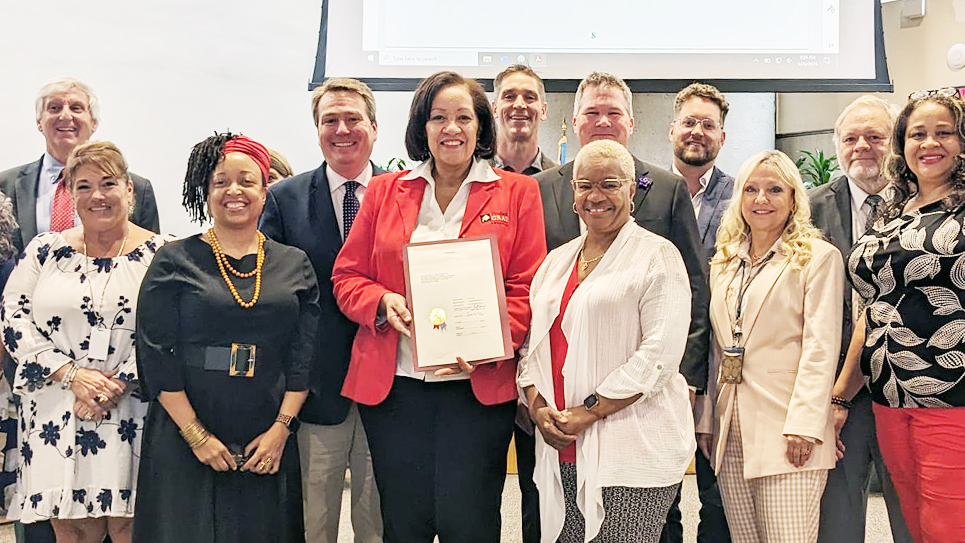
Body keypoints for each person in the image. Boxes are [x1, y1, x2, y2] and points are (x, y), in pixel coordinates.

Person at [331, 71, 546, 543]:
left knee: (469, 522)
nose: (451, 128)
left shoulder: (517, 193)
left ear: (480, 127)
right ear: (422, 127)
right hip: (396, 390)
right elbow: (347, 278)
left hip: (476, 388)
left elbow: (527, 287)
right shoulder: (387, 191)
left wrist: (490, 342)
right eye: (438, 117)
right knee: (404, 523)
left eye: (463, 118)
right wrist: (382, 301)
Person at [133, 134, 320, 543]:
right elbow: (154, 353)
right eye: (221, 182)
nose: (234, 191)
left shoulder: (294, 264)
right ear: (207, 190)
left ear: (265, 188)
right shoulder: (173, 260)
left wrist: (281, 430)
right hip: (186, 425)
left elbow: (303, 356)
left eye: (246, 180)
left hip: (266, 428)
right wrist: (196, 435)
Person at [518, 139, 695, 543]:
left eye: (609, 184)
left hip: (630, 449)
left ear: (632, 191)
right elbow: (532, 347)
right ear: (573, 193)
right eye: (584, 185)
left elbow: (659, 356)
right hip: (559, 443)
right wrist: (538, 405)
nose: (595, 196)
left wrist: (589, 411)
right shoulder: (555, 261)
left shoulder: (657, 256)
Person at [1, 141, 167, 543]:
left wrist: (113, 383)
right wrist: (73, 375)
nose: (97, 196)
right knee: (72, 531)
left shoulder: (163, 254)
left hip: (133, 407)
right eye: (84, 186)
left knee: (130, 527)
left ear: (129, 189)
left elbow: (170, 330)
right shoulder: (44, 251)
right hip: (56, 407)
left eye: (108, 183)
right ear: (71, 194)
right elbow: (13, 319)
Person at [832, 88, 965, 543]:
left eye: (943, 133)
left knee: (948, 527)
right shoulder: (891, 214)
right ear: (902, 145)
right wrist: (841, 393)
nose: (930, 144)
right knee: (914, 524)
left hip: (952, 398)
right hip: (890, 400)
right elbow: (874, 308)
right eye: (918, 134)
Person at [534, 72, 710, 403]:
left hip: (641, 385)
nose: (603, 121)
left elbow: (696, 287)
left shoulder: (667, 189)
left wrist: (686, 378)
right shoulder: (542, 188)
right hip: (556, 376)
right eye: (591, 113)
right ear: (575, 122)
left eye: (613, 113)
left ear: (630, 122)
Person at [260, 77, 384, 543]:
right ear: (317, 131)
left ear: (373, 127)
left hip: (389, 385)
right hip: (315, 389)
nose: (342, 129)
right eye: (330, 120)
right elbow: (273, 296)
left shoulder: (405, 194)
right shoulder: (284, 199)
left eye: (353, 118)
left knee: (378, 521)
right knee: (315, 521)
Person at [709, 150, 842, 543]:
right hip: (731, 427)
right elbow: (721, 347)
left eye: (773, 189)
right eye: (750, 189)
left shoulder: (817, 258)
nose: (761, 199)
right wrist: (707, 421)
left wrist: (804, 425)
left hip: (788, 429)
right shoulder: (726, 260)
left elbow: (821, 346)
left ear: (794, 199)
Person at [808, 95, 912, 543]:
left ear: (895, 145)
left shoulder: (922, 205)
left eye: (875, 136)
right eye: (850, 138)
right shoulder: (806, 208)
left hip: (905, 386)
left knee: (911, 514)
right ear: (837, 147)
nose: (862, 146)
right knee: (838, 518)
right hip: (833, 391)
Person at [491, 63, 556, 543]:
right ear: (494, 107)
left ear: (544, 109)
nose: (520, 105)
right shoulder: (469, 180)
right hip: (480, 363)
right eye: (509, 96)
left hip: (548, 365)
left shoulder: (563, 186)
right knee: (477, 493)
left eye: (529, 97)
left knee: (544, 494)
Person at [665, 82, 733, 543]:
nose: (698, 131)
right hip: (657, 357)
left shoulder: (745, 194)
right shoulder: (643, 188)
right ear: (672, 129)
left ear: (722, 137)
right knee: (657, 489)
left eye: (709, 124)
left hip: (722, 365)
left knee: (717, 493)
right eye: (689, 122)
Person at [0, 77, 159, 253]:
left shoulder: (137, 188)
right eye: (55, 108)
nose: (65, 115)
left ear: (94, 123)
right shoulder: (5, 186)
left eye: (76, 108)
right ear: (39, 122)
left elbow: (151, 260)